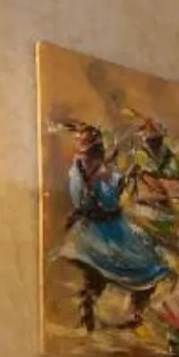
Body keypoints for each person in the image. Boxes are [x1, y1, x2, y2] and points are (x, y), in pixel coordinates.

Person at [58, 123, 171, 331]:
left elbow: (97, 196)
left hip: (87, 230)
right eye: (97, 149)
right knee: (151, 262)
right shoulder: (95, 172)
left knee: (97, 279)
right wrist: (122, 180)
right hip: (105, 231)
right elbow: (109, 200)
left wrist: (120, 176)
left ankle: (93, 311)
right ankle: (133, 312)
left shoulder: (79, 170)